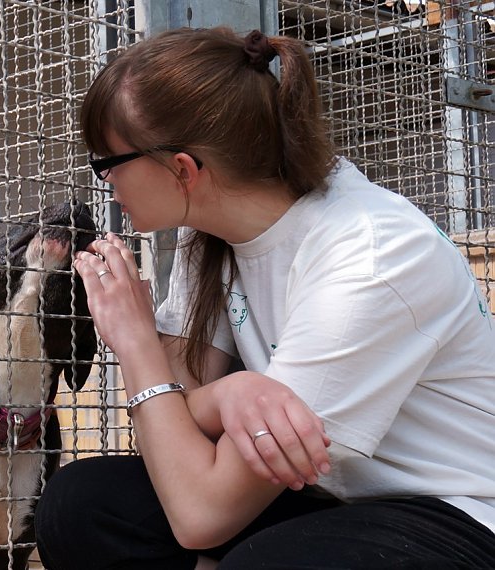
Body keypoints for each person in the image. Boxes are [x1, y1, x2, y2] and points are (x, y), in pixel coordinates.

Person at [34, 26, 495, 569]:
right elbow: (178, 428)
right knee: (81, 504)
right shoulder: (208, 229)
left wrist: (136, 344)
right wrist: (229, 395)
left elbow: (202, 512)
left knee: (263, 560)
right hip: (327, 494)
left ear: (183, 169)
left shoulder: (370, 257)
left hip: (456, 512)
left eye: (108, 163)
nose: (106, 184)